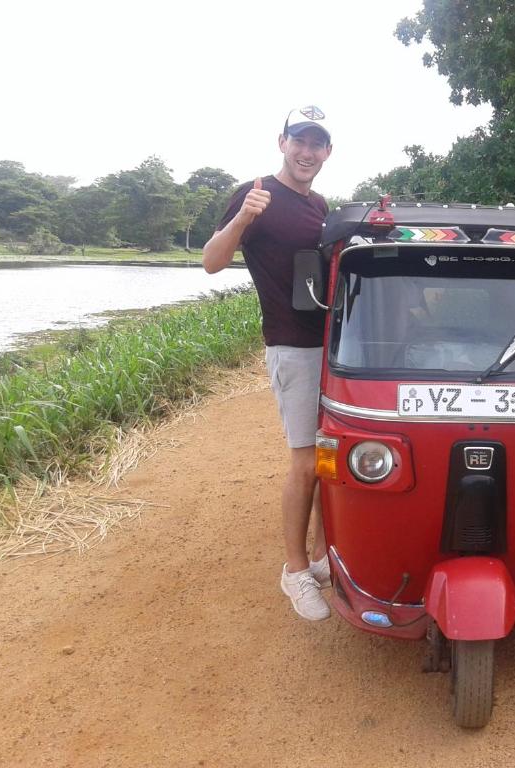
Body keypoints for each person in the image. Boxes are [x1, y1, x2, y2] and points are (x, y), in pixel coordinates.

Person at [203, 106, 334, 620]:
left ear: (328, 152)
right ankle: (296, 571)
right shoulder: (254, 192)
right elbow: (212, 263)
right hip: (291, 347)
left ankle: (324, 558)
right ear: (282, 142)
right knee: (305, 463)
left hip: (332, 349)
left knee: (330, 459)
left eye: (317, 144)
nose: (307, 152)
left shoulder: (320, 205)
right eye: (299, 141)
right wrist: (243, 216)